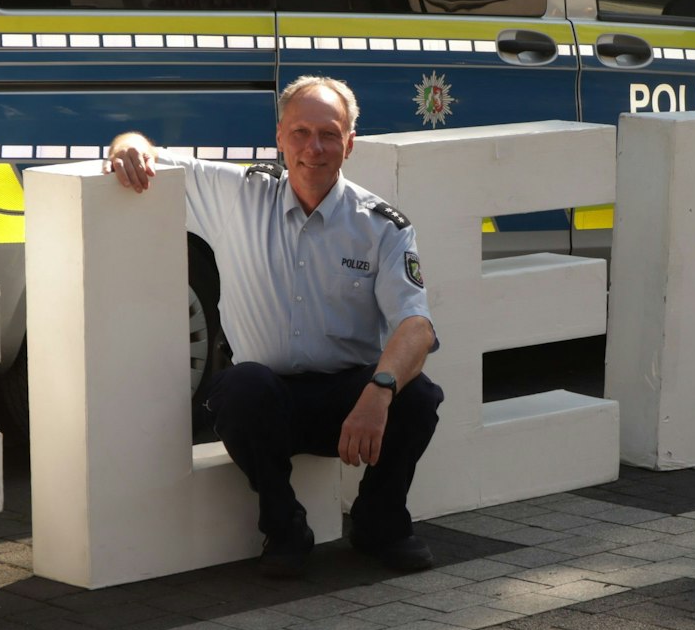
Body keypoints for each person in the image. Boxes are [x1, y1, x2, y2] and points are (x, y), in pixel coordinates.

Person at [105, 76, 444, 577]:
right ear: (280, 136)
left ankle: (381, 521)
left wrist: (380, 391)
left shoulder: (381, 225)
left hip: (349, 400)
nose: (315, 147)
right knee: (241, 386)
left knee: (419, 397)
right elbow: (138, 145)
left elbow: (417, 326)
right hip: (267, 401)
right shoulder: (236, 195)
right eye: (301, 132)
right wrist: (127, 147)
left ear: (350, 142)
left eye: (330, 134)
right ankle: (284, 526)